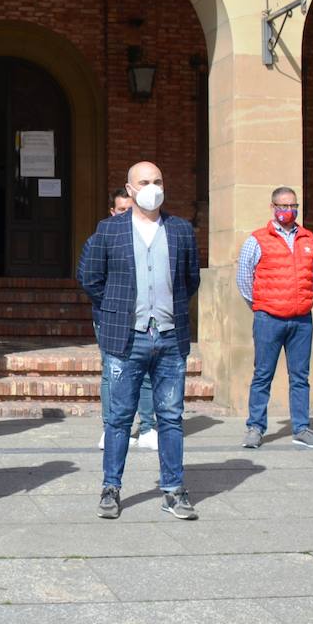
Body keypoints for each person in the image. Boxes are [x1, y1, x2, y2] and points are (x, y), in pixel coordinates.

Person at [78, 161, 201, 521]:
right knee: (118, 419)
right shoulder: (109, 230)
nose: (152, 187)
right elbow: (90, 277)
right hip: (126, 339)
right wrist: (115, 310)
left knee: (171, 417)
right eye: (144, 182)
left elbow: (190, 280)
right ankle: (111, 487)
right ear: (129, 190)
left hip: (169, 337)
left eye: (158, 180)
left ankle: (173, 489)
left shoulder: (180, 230)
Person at [236, 186, 313, 450]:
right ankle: (255, 427)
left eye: (292, 205)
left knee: (300, 376)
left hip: (301, 320)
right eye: (283, 205)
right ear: (272, 207)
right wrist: (262, 305)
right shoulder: (257, 239)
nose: (288, 210)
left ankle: (301, 428)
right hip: (268, 318)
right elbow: (244, 279)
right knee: (263, 373)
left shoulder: (309, 239)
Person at [92, 188, 156, 452]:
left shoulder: (152, 237)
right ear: (112, 212)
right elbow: (91, 277)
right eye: (121, 210)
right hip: (111, 319)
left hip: (145, 318)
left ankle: (149, 427)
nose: (126, 214)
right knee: (113, 372)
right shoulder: (105, 235)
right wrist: (111, 307)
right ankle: (112, 429)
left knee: (148, 375)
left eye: (131, 210)